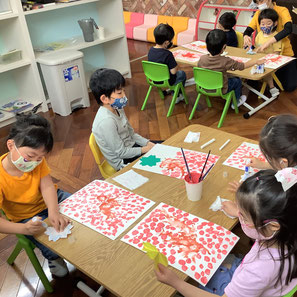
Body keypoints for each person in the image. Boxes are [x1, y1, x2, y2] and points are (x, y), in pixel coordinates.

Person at [155, 169, 297, 296]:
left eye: (244, 216)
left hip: (250, 281)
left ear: (273, 225)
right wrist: (240, 210)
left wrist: (176, 283)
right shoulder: (288, 229)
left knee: (200, 272)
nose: (240, 217)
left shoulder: (260, 269)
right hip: (264, 280)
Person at [0, 114, 71, 277]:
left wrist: (53, 211)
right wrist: (23, 228)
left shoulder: (36, 160)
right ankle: (55, 260)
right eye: (30, 156)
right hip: (25, 217)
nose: (34, 162)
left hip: (52, 199)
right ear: (11, 145)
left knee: (82, 210)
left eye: (40, 158)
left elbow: (47, 186)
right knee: (52, 247)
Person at [224, 114, 297, 217]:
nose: (268, 159)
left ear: (283, 161)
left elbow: (266, 211)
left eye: (269, 158)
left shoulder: (288, 183)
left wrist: (240, 209)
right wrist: (263, 165)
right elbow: (288, 166)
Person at [90, 68, 155, 171]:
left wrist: (148, 143)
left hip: (132, 147)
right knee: (161, 162)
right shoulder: (106, 122)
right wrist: (145, 149)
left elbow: (131, 134)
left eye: (123, 91)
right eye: (120, 93)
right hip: (123, 162)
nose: (124, 96)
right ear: (104, 99)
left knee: (166, 146)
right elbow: (121, 152)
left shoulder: (117, 107)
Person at [198, 29, 265, 109]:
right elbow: (242, 66)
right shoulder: (226, 61)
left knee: (229, 76)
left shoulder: (202, 59)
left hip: (203, 87)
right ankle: (236, 101)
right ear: (224, 47)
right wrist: (255, 61)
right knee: (237, 81)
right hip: (221, 89)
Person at [243, 0, 297, 92]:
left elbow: (288, 29)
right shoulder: (258, 14)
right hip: (264, 55)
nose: (260, 5)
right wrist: (246, 36)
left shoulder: (282, 10)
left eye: (261, 1)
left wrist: (269, 42)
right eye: (257, 3)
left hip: (284, 55)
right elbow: (249, 29)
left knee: (290, 87)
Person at [148, 23, 186, 103]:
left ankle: (170, 91)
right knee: (182, 74)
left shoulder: (150, 51)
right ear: (166, 43)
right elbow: (173, 72)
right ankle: (177, 95)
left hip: (154, 79)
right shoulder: (168, 54)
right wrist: (176, 65)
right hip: (167, 81)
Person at [255, 8, 283, 97]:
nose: (265, 26)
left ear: (275, 23)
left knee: (265, 68)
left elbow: (277, 54)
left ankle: (271, 87)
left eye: (269, 23)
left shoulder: (276, 37)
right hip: (259, 59)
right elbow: (257, 48)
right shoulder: (259, 34)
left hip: (271, 61)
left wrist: (266, 59)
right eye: (263, 24)